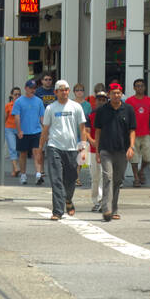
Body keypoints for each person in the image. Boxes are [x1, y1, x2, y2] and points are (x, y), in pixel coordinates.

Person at [41, 81, 85, 219]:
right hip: (54, 147)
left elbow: (82, 128)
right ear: (55, 92)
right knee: (56, 179)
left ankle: (68, 199)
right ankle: (57, 211)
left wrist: (83, 145)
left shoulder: (76, 107)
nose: (64, 92)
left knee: (71, 179)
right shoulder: (50, 108)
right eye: (61, 90)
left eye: (66, 89)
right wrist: (39, 148)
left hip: (72, 148)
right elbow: (45, 129)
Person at [93, 82, 136, 221]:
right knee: (108, 178)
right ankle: (106, 209)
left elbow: (132, 130)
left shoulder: (128, 109)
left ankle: (114, 208)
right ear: (108, 95)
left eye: (118, 93)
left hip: (122, 151)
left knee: (118, 181)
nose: (116, 95)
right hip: (106, 150)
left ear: (121, 94)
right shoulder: (102, 110)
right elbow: (97, 132)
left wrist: (131, 147)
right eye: (113, 93)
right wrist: (97, 151)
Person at [125, 78, 150, 187]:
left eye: (141, 86)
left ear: (144, 87)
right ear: (134, 88)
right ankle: (136, 178)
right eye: (137, 86)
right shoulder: (129, 101)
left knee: (149, 157)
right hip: (133, 133)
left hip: (146, 133)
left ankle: (141, 171)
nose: (140, 88)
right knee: (134, 158)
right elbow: (126, 117)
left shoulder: (149, 100)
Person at [13, 79, 46, 186]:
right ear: (26, 88)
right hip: (24, 132)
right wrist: (19, 130)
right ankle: (23, 175)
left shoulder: (39, 101)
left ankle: (38, 174)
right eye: (31, 88)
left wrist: (45, 131)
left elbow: (42, 117)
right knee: (23, 154)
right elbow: (17, 117)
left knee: (37, 153)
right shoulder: (19, 101)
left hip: (36, 131)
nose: (33, 90)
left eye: (34, 88)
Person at [84, 89, 107, 210]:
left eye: (104, 100)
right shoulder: (91, 115)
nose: (101, 102)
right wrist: (90, 140)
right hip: (93, 150)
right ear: (96, 101)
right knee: (95, 177)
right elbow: (86, 131)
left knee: (106, 176)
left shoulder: (110, 114)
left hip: (107, 150)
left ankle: (103, 200)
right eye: (99, 99)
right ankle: (96, 201)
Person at [4, 87, 21, 178]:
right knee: (13, 148)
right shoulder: (8, 106)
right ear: (11, 95)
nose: (17, 96)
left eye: (19, 94)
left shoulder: (22, 105)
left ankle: (14, 170)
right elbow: (5, 118)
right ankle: (17, 168)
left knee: (17, 150)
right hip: (9, 128)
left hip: (19, 129)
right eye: (15, 94)